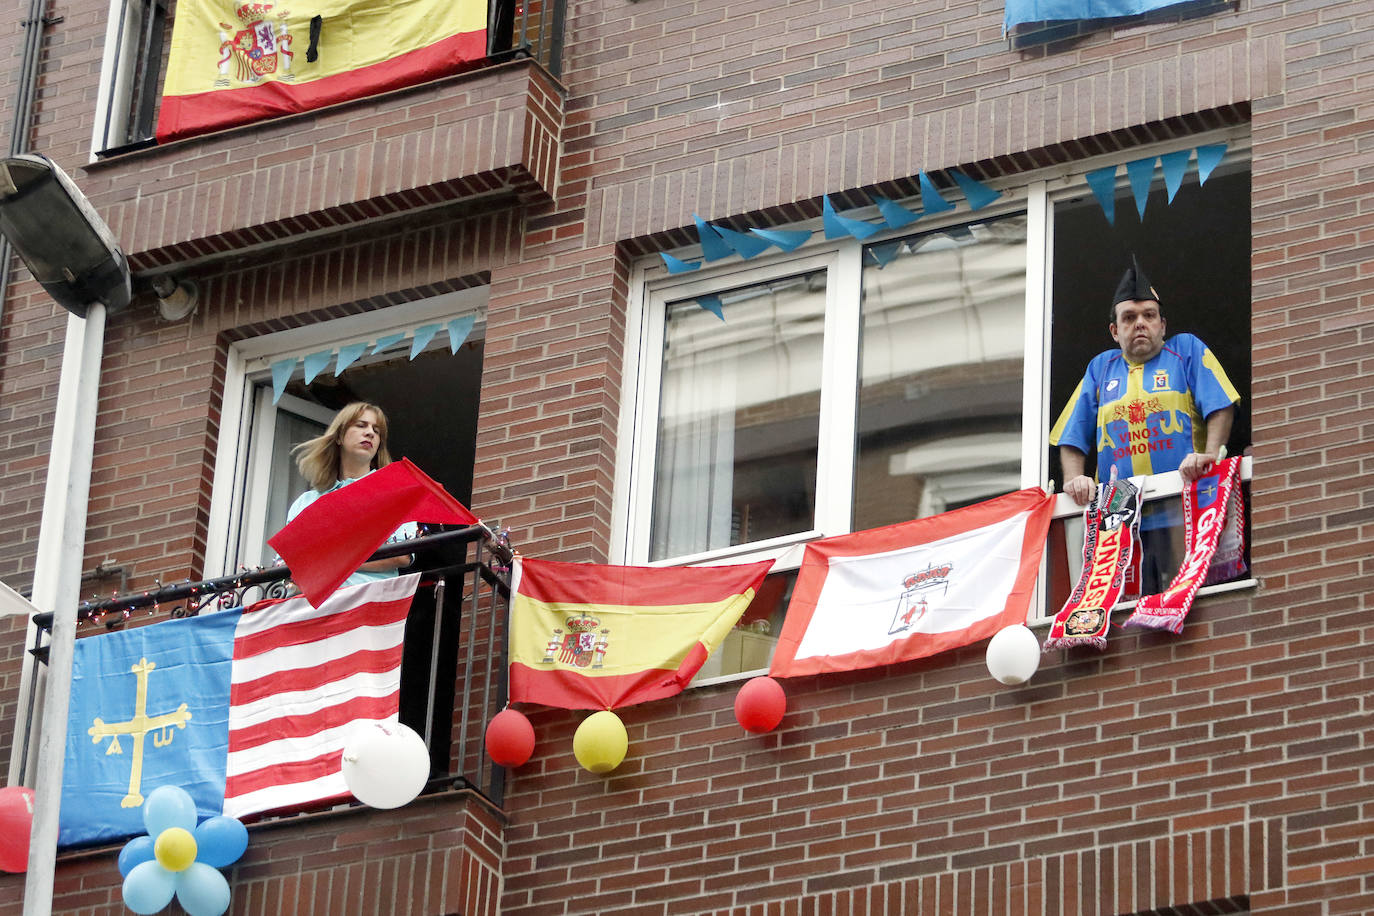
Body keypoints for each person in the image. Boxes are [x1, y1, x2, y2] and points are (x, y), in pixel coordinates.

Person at [1050, 258, 1240, 593]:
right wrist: (1073, 479)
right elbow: (1071, 434)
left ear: (1162, 325)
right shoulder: (1100, 368)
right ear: (1114, 330)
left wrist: (1210, 455)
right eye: (1129, 317)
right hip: (1121, 515)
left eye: (1149, 316)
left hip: (1182, 501)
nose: (1140, 324)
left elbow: (1220, 404)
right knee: (1125, 607)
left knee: (1187, 595)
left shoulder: (1186, 350)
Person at [284, 401, 418, 586]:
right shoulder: (305, 502)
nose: (370, 432)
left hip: (367, 605)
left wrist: (334, 561)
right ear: (339, 436)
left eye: (376, 431)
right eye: (361, 425)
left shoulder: (393, 495)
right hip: (312, 609)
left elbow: (402, 555)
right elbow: (287, 566)